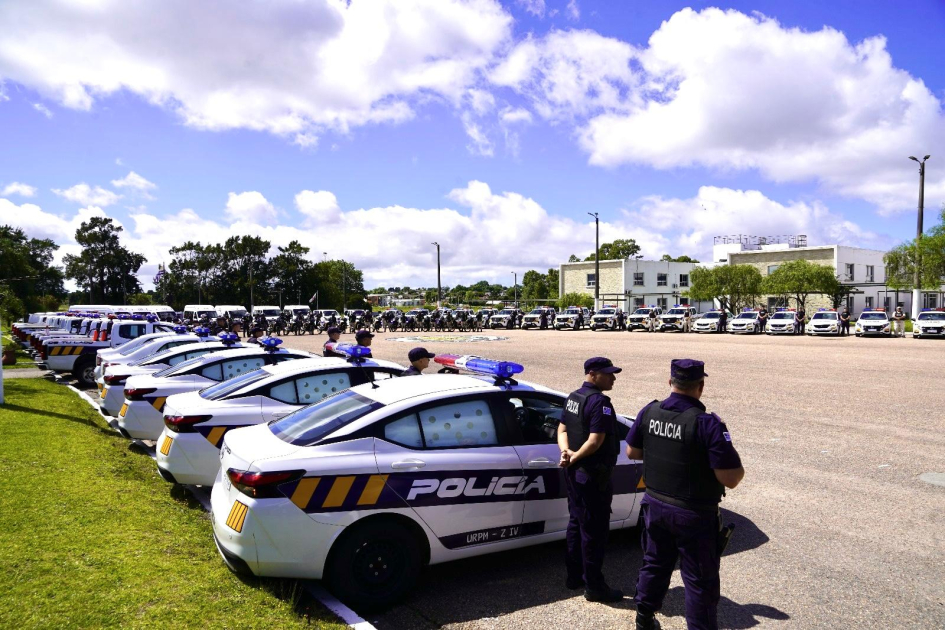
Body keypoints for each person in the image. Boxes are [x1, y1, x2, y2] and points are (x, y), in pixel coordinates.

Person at [627, 359, 745, 630]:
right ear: (700, 386)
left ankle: (644, 617)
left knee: (654, 563)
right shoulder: (707, 424)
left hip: (655, 505)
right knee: (699, 580)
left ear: (670, 383)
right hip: (693, 514)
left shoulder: (650, 411)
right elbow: (731, 478)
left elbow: (632, 452)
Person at [557, 357, 624, 603]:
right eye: (609, 374)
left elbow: (562, 430)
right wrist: (573, 457)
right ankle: (594, 586)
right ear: (593, 374)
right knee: (594, 531)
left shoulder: (574, 397)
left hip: (574, 473)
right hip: (593, 475)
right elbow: (595, 441)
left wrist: (566, 453)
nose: (613, 378)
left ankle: (574, 576)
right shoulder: (599, 403)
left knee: (576, 523)